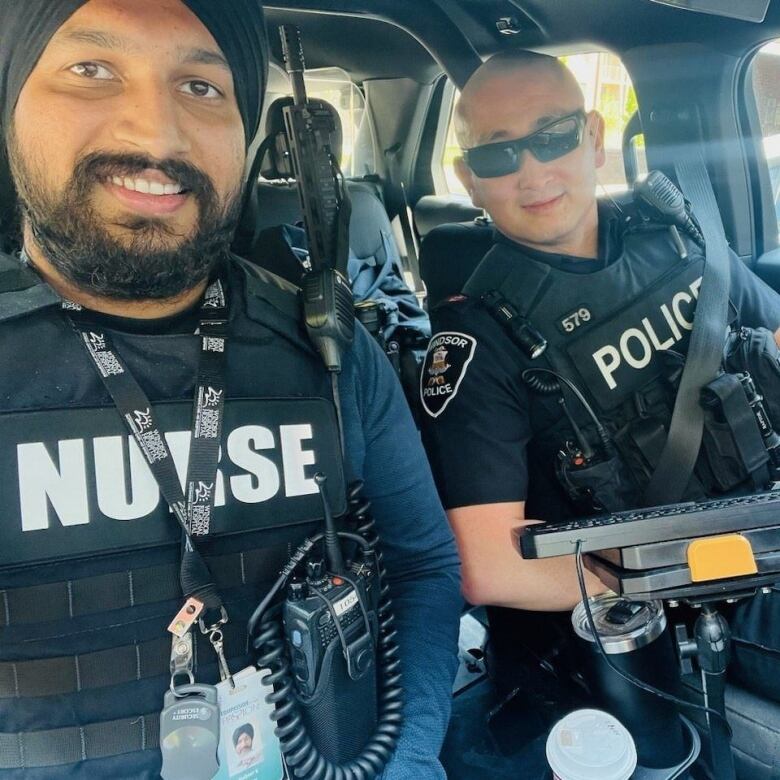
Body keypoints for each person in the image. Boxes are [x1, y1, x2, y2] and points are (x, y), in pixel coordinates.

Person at [0, 1, 462, 778]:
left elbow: (422, 568)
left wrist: (408, 760)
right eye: (92, 70)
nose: (155, 135)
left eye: (203, 88)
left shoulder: (329, 346)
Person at [420, 50, 780, 701]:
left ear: (593, 136)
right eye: (499, 156)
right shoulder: (477, 341)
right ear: (468, 179)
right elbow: (487, 566)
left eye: (552, 137)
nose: (532, 171)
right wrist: (680, 573)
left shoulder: (671, 233)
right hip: (672, 616)